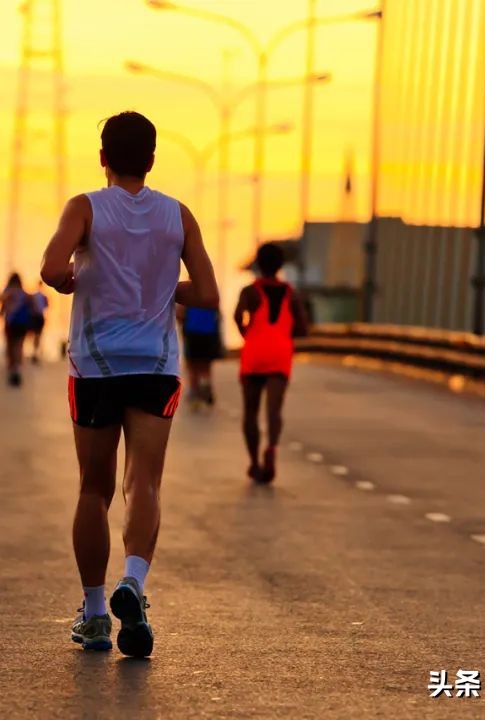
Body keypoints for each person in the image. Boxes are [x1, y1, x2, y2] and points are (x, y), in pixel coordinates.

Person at [41, 111, 218, 657]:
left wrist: (73, 279)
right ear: (153, 159)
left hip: (96, 362)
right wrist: (166, 290)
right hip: (155, 362)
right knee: (144, 482)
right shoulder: (178, 215)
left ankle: (95, 614)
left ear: (102, 158)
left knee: (93, 489)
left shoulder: (86, 208)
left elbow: (50, 268)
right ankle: (133, 583)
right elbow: (208, 293)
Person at [233, 242, 308, 485]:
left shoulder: (249, 291)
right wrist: (284, 334)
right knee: (274, 411)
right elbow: (302, 327)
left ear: (258, 263)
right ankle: (272, 449)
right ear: (281, 265)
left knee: (251, 412)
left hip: (254, 353)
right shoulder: (291, 293)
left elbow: (237, 316)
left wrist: (247, 334)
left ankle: (254, 463)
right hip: (279, 354)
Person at [179, 305, 222, 407]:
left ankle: (195, 393)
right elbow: (218, 314)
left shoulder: (189, 294)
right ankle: (206, 385)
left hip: (192, 331)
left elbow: (179, 313)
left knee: (192, 366)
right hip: (209, 332)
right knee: (206, 365)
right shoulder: (209, 295)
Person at [1, 272, 32, 386]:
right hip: (22, 323)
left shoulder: (8, 291)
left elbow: (2, 305)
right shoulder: (24, 294)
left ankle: (12, 368)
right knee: (19, 345)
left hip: (11, 322)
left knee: (10, 345)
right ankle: (18, 368)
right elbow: (31, 306)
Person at [29, 282, 49, 363]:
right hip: (39, 317)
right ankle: (36, 352)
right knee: (38, 335)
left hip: (35, 317)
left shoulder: (35, 296)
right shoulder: (43, 296)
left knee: (36, 336)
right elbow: (46, 306)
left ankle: (35, 352)